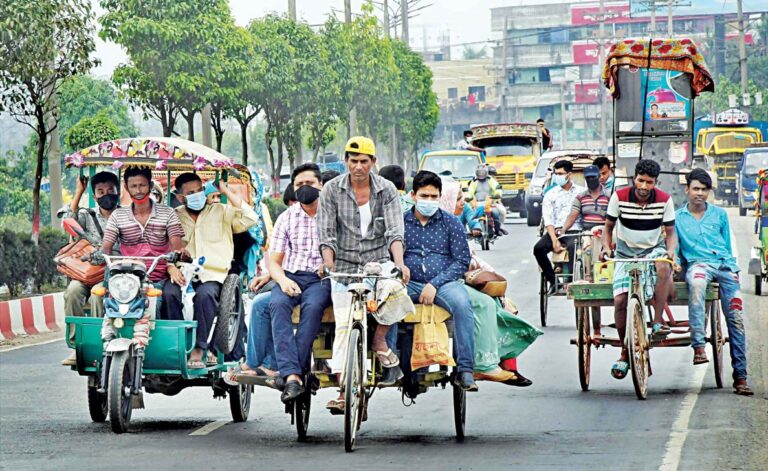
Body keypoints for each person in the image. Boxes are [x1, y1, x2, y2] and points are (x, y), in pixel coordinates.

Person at [318, 136, 412, 413]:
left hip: (378, 261)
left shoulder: (387, 190)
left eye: (364, 161)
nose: (358, 167)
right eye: (353, 161)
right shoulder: (331, 190)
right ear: (346, 161)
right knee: (345, 326)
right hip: (344, 264)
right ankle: (344, 390)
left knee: (396, 292)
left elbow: (395, 231)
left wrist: (399, 264)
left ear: (373, 163)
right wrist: (329, 265)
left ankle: (380, 339)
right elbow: (326, 234)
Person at [162, 172, 258, 369]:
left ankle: (200, 347)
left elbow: (250, 219)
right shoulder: (173, 216)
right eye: (191, 193)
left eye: (200, 190)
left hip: (213, 274)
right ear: (180, 197)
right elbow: (163, 247)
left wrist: (226, 191)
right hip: (182, 273)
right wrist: (171, 267)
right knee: (168, 294)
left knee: (205, 295)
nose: (198, 195)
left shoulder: (221, 211)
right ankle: (177, 346)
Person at [676, 169, 752, 396]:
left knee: (736, 317)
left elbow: (727, 245)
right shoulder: (678, 218)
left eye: (704, 189)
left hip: (725, 267)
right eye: (696, 189)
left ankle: (740, 377)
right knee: (697, 285)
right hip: (697, 265)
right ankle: (698, 345)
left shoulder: (719, 214)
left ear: (709, 192)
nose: (700, 193)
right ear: (687, 189)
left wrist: (731, 269)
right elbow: (676, 249)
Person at [261, 163, 333, 403]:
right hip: (290, 275)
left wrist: (329, 264)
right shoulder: (286, 218)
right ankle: (294, 375)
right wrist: (281, 280)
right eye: (299, 184)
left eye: (309, 183)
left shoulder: (334, 214)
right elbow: (274, 260)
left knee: (312, 310)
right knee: (277, 306)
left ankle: (292, 375)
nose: (304, 188)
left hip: (321, 278)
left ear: (320, 185)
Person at [600, 160, 677, 380]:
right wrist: (606, 248)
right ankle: (624, 352)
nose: (644, 186)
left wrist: (670, 251)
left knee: (663, 265)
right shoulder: (619, 197)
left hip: (653, 250)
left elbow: (670, 233)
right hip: (625, 254)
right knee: (620, 301)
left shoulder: (664, 199)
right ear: (634, 179)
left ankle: (658, 321)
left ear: (655, 183)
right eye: (640, 181)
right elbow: (608, 228)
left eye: (649, 182)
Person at [403, 171, 477, 391]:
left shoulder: (451, 222)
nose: (429, 201)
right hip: (409, 283)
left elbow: (462, 260)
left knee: (463, 305)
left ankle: (465, 370)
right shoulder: (400, 222)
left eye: (434, 197)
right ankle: (392, 363)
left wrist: (434, 284)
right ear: (413, 195)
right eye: (424, 196)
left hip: (444, 283)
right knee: (386, 301)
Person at [101, 166, 185, 316]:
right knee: (107, 303)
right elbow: (106, 247)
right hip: (127, 277)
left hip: (159, 276)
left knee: (163, 300)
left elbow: (176, 248)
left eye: (142, 185)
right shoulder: (117, 216)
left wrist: (171, 264)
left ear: (150, 186)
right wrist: (102, 257)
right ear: (126, 188)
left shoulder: (168, 213)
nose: (138, 191)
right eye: (133, 186)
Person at [60, 172, 121, 366]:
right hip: (87, 272)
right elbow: (69, 223)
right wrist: (79, 191)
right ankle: (78, 344)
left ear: (118, 191)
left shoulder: (125, 215)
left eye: (110, 190)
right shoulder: (88, 215)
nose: (106, 195)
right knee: (72, 291)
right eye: (101, 192)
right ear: (95, 196)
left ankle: (98, 344)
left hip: (114, 274)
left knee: (97, 295)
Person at [561, 164, 610, 336]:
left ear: (599, 177)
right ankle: (590, 274)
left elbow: (615, 217)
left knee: (604, 236)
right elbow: (573, 215)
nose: (591, 181)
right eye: (588, 178)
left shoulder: (610, 196)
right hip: (588, 233)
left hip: (607, 232)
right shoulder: (580, 197)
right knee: (586, 247)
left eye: (593, 178)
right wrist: (563, 230)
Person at [533, 160, 585, 294]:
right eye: (556, 174)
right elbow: (548, 219)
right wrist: (554, 239)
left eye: (560, 173)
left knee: (575, 248)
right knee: (538, 249)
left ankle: (572, 282)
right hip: (555, 231)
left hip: (574, 230)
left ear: (569, 175)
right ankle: (554, 282)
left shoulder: (581, 192)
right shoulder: (551, 194)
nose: (557, 176)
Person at [466, 165, 507, 236]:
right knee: (469, 214)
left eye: (483, 172)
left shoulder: (491, 180)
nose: (481, 174)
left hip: (490, 203)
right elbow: (470, 191)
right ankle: (471, 230)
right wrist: (468, 197)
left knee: (498, 212)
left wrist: (498, 194)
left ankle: (498, 228)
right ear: (476, 173)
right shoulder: (474, 181)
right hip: (477, 204)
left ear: (486, 172)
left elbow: (496, 187)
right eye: (479, 172)